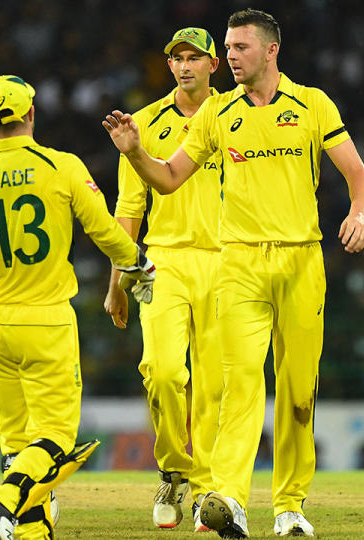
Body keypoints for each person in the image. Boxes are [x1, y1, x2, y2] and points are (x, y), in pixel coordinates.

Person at [104, 9, 364, 538]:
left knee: (298, 390)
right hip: (239, 263)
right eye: (226, 48)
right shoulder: (218, 112)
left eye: (239, 48)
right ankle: (226, 497)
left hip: (301, 261)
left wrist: (358, 213)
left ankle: (290, 504)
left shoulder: (311, 104)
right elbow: (168, 178)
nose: (230, 56)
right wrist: (135, 153)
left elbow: (357, 175)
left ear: (271, 51)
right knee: (239, 385)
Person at [0, 74, 156, 540]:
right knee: (55, 439)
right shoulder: (60, 166)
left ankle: (32, 533)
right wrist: (137, 264)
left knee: (18, 443)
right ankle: (4, 500)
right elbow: (104, 229)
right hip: (46, 318)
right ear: (32, 113)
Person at [103, 27, 224, 532]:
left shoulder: (238, 115)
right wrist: (117, 281)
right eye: (177, 57)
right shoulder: (144, 123)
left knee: (217, 386)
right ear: (168, 65)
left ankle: (209, 489)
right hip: (164, 263)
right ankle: (174, 472)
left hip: (229, 261)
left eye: (196, 57)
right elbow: (129, 210)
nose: (186, 65)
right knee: (164, 371)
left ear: (214, 65)